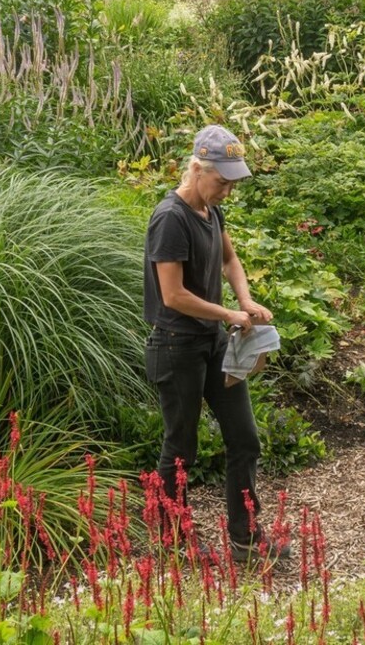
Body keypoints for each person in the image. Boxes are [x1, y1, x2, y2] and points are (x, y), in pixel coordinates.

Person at [143, 125, 288, 563]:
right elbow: (173, 295)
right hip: (176, 347)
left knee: (244, 438)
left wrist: (245, 299)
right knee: (181, 447)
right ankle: (172, 542)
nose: (227, 190)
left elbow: (229, 259)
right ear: (196, 169)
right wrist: (228, 314)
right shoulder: (170, 218)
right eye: (221, 181)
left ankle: (244, 537)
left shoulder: (212, 212)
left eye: (232, 182)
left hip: (212, 345)